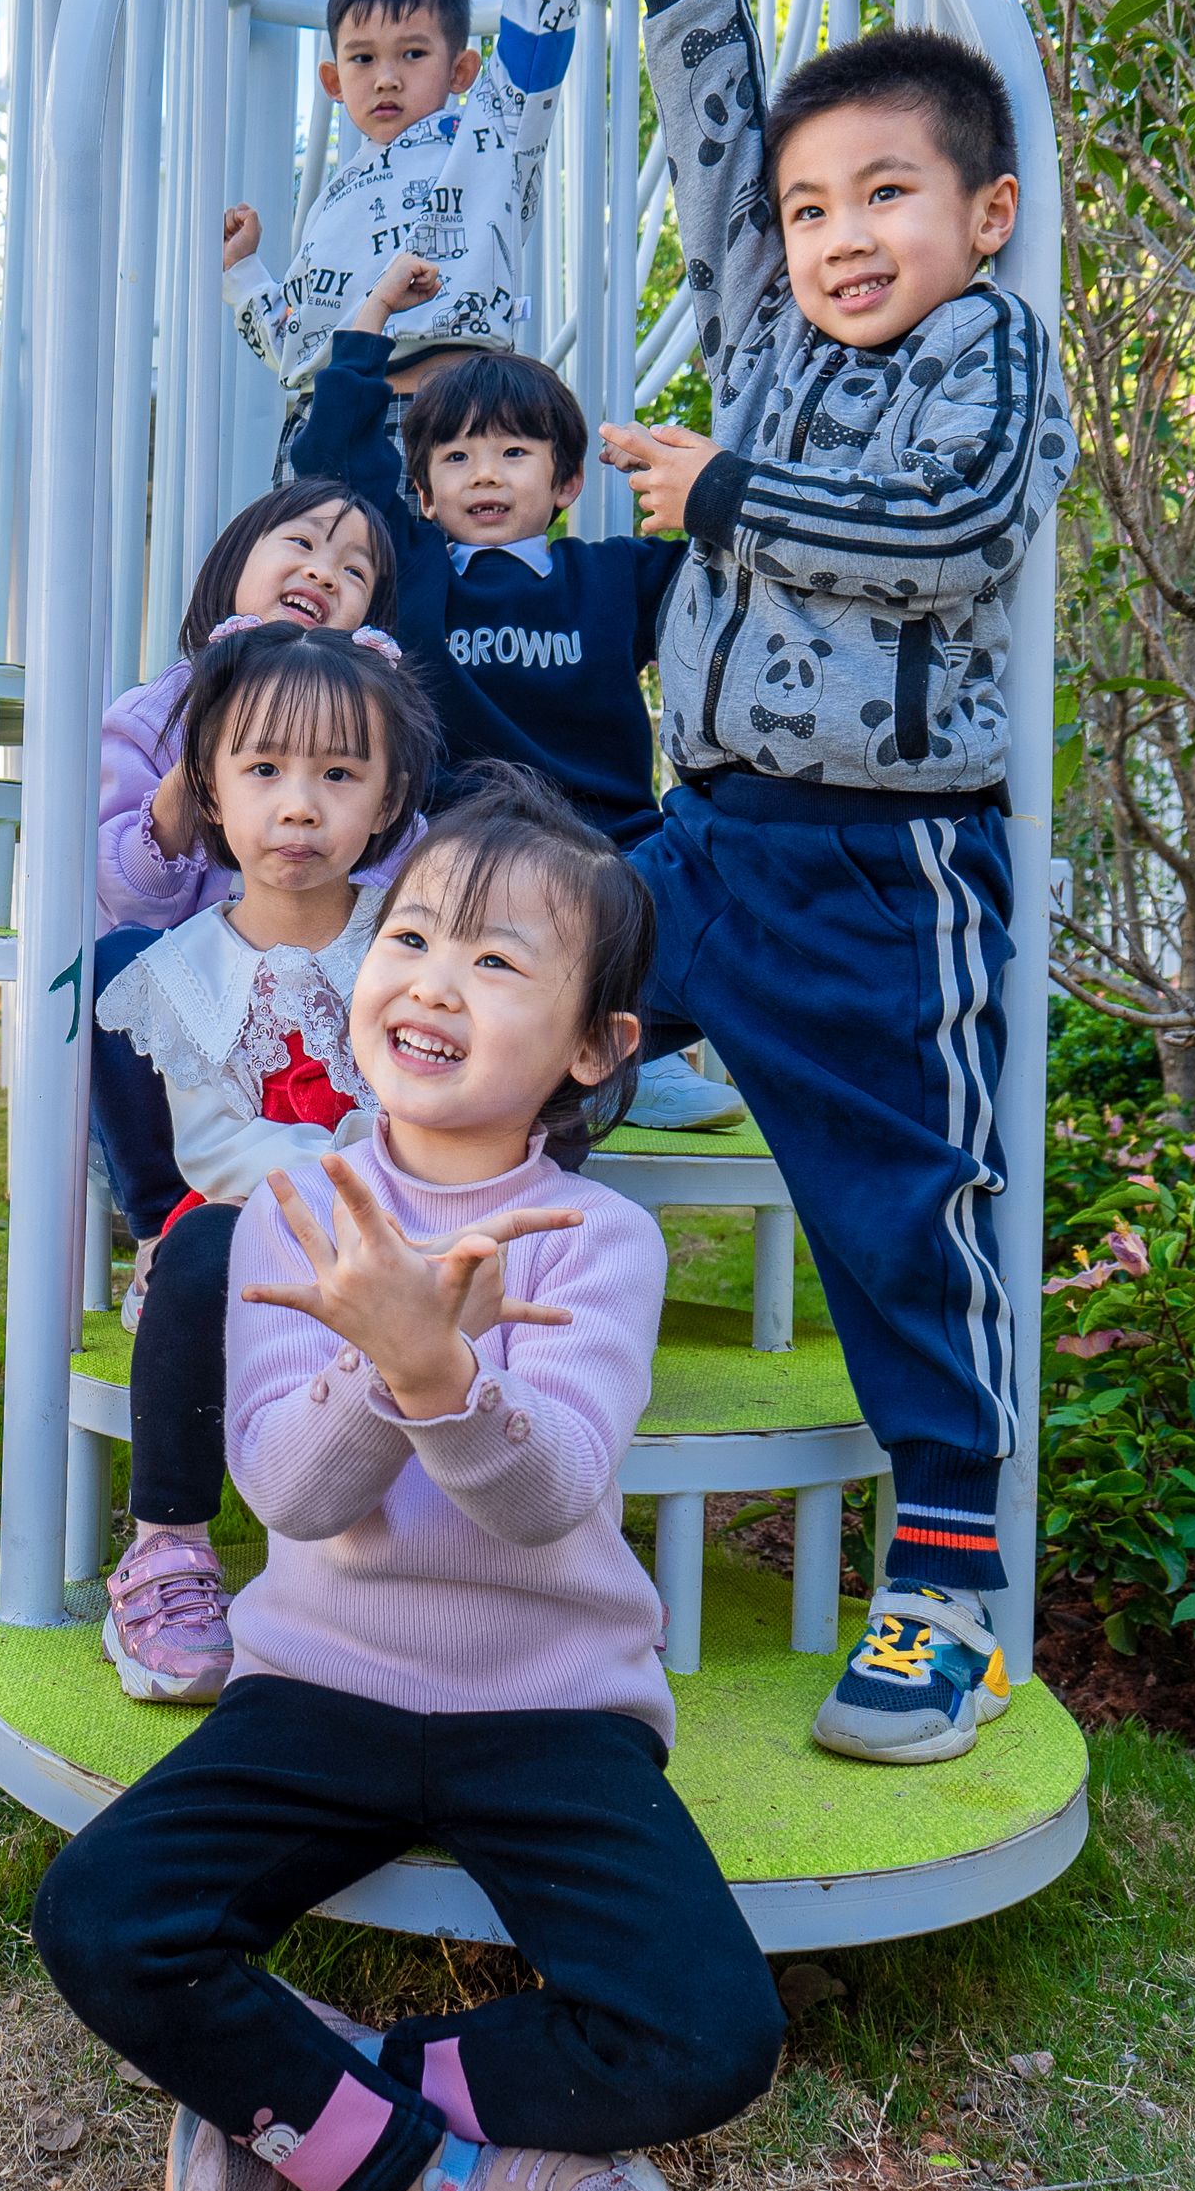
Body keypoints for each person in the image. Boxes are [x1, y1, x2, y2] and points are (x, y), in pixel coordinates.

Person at [34, 773, 780, 2191]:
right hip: (320, 1686)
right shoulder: (293, 1214)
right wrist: (389, 1360)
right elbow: (292, 1494)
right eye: (413, 935)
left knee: (712, 2029)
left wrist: (443, 1372)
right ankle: (417, 2170)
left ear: (593, 1044)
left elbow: (547, 1490)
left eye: (500, 961)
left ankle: (330, 2083)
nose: (436, 982)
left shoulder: (597, 1236)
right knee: (104, 1915)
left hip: (549, 1700)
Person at [595, 0, 1078, 1766]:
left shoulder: (991, 358)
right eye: (813, 207)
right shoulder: (773, 341)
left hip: (887, 881)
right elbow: (711, 168)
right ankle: (438, 1454)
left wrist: (715, 503)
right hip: (701, 843)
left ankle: (947, 1583)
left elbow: (943, 541)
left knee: (896, 1213)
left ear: (981, 212)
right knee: (488, 1028)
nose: (831, 233)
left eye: (883, 194)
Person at [285, 253, 746, 1133]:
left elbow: (726, 572)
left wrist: (701, 487)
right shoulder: (411, 570)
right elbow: (336, 459)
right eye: (456, 457)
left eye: (513, 453)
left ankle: (629, 1057)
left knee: (696, 900)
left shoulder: (615, 578)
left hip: (606, 838)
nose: (485, 474)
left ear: (566, 481)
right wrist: (375, 312)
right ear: (421, 491)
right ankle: (517, 1070)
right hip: (457, 839)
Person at [89, 622, 439, 1706]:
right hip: (236, 1231)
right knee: (197, 1259)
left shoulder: (412, 941)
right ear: (209, 789)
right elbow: (140, 1118)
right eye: (264, 770)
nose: (299, 805)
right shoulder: (167, 970)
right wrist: (159, 1228)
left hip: (394, 1210)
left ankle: (435, 1572)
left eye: (339, 774)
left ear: (384, 802)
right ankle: (166, 1551)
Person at [88, 481, 406, 1241]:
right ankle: (166, 1216)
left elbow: (408, 869)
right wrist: (205, 744)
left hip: (321, 993)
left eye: (354, 571)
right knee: (117, 967)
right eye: (301, 544)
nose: (326, 573)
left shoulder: (366, 717)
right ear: (234, 564)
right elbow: (125, 889)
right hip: (201, 998)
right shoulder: (155, 714)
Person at [221, 0, 589, 419]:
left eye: (413, 54)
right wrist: (244, 273)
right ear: (334, 83)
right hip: (326, 427)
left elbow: (541, 26)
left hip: (445, 424)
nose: (386, 77)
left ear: (462, 70)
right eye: (363, 59)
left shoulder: (487, 141)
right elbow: (295, 345)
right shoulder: (334, 206)